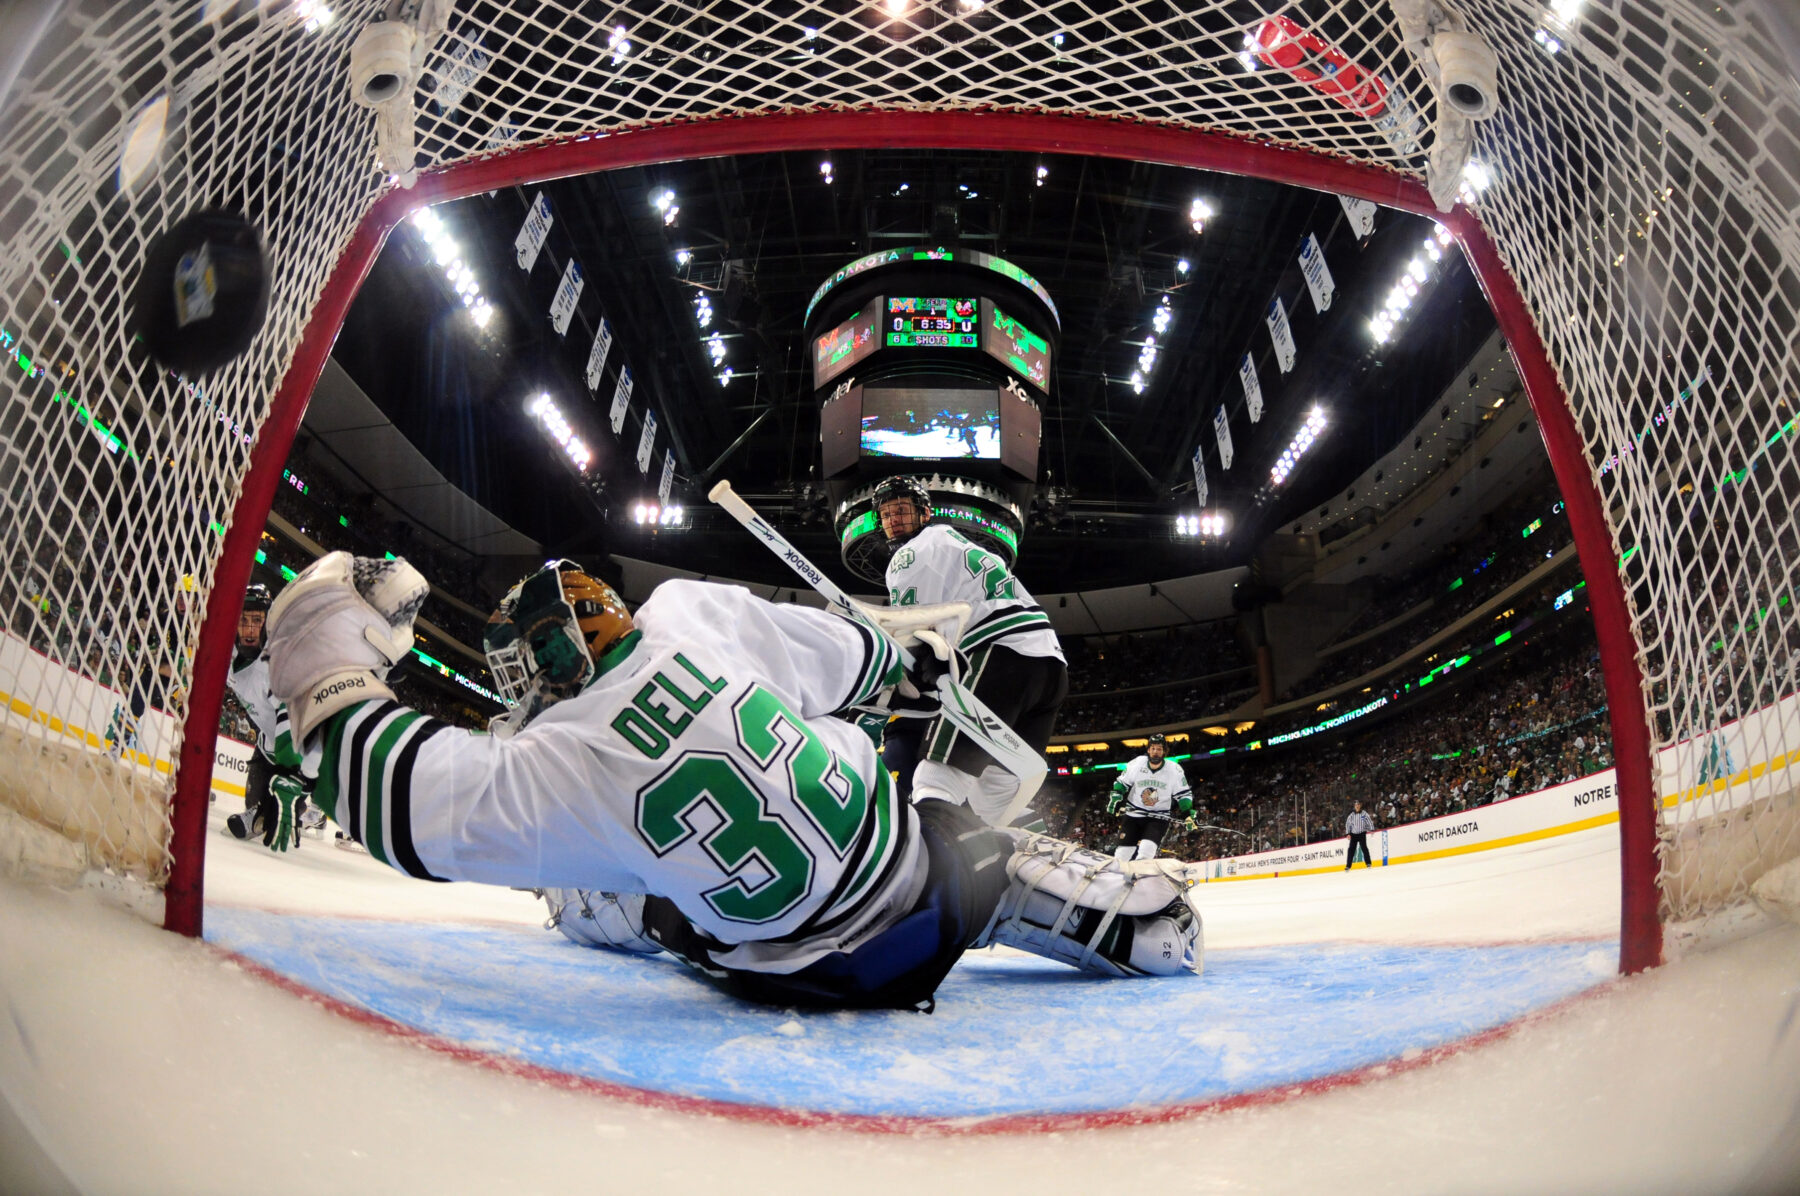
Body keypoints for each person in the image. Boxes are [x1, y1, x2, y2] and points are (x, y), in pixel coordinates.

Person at [265, 552, 1203, 1011]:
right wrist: (901, 663)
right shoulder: (688, 613)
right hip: (916, 873)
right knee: (875, 775)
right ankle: (1056, 894)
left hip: (816, 974)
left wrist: (321, 661)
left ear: (554, 651)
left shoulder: (558, 761)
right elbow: (866, 659)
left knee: (593, 893)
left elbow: (394, 798)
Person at [873, 475, 1068, 828]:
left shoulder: (908, 555)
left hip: (1001, 655)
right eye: (885, 515)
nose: (893, 520)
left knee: (936, 776)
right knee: (994, 797)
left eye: (901, 510)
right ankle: (1027, 860)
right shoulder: (961, 545)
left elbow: (909, 630)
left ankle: (934, 868)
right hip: (1051, 666)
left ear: (924, 512)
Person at [223, 582, 314, 850]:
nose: (250, 630)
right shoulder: (229, 654)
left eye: (257, 621)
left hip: (296, 750)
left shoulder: (276, 665)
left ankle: (305, 809)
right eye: (244, 620)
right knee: (254, 807)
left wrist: (295, 776)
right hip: (267, 744)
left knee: (273, 820)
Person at [1107, 733, 1193, 861]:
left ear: (1164, 751)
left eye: (1159, 749)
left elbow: (1183, 795)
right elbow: (1122, 783)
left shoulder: (1174, 770)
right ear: (1148, 750)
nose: (1155, 752)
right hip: (1133, 816)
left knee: (1146, 853)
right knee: (1121, 856)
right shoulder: (1137, 763)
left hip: (1158, 818)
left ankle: (1138, 878)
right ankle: (1120, 880)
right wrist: (1116, 799)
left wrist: (1187, 814)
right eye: (1153, 748)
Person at [1344, 799, 1375, 870]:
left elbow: (1369, 821)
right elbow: (1347, 824)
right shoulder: (1351, 815)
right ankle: (1348, 866)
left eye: (1358, 805)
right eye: (1356, 805)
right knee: (1351, 850)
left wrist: (1372, 829)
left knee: (1364, 848)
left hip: (1362, 833)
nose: (1357, 806)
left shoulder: (1364, 813)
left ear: (1360, 805)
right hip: (1353, 834)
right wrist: (1348, 833)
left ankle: (1368, 863)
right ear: (1354, 806)